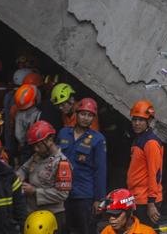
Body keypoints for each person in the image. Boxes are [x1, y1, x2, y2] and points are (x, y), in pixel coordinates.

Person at [57, 98, 107, 234]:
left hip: (84, 195)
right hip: (63, 193)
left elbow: (100, 171)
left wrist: (99, 199)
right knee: (64, 229)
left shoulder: (98, 139)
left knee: (85, 230)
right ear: (77, 114)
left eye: (90, 115)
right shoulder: (63, 133)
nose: (85, 118)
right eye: (83, 114)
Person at [17, 121, 72, 233]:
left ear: (50, 140)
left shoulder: (62, 163)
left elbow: (62, 194)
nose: (36, 149)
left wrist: (34, 191)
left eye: (38, 145)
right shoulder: (37, 156)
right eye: (34, 146)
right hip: (32, 212)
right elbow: (23, 169)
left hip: (52, 215)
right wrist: (19, 177)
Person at [127, 100, 163, 228]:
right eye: (134, 119)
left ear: (149, 121)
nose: (137, 123)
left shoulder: (150, 143)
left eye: (141, 120)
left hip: (146, 200)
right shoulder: (139, 139)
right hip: (137, 198)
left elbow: (155, 174)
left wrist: (151, 203)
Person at [12, 84, 43, 163]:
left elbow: (18, 135)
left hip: (25, 148)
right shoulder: (38, 113)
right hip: (33, 147)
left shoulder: (18, 114)